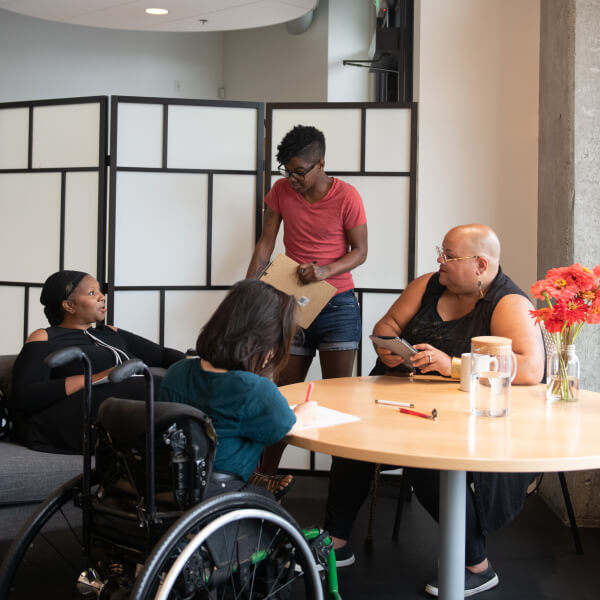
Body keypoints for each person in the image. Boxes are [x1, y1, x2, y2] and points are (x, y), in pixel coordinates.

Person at [324, 224, 545, 597]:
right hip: (403, 403)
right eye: (440, 253)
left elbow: (529, 370)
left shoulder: (508, 303)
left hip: (469, 418)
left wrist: (453, 365)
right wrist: (387, 347)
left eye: (449, 256)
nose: (439, 262)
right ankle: (335, 544)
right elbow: (387, 325)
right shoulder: (427, 285)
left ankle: (476, 565)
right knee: (353, 438)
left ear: (480, 264)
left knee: (426, 460)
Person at [159, 279, 318, 499]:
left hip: (171, 482)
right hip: (220, 489)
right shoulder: (254, 389)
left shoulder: (177, 371)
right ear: (264, 344)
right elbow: (286, 426)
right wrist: (304, 413)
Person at [10, 270, 185, 454]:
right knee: (156, 386)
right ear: (69, 305)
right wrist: (94, 378)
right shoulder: (45, 336)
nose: (102, 297)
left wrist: (196, 366)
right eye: (92, 293)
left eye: (100, 291)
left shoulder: (111, 333)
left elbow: (163, 355)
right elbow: (25, 394)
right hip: (71, 416)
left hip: (125, 407)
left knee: (176, 386)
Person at [246, 124, 368, 387]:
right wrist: (248, 292)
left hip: (338, 304)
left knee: (338, 394)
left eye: (299, 172)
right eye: (287, 172)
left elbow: (360, 252)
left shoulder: (347, 196)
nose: (292, 179)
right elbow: (265, 243)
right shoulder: (280, 191)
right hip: (293, 301)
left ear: (320, 164)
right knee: (286, 391)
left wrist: (324, 271)